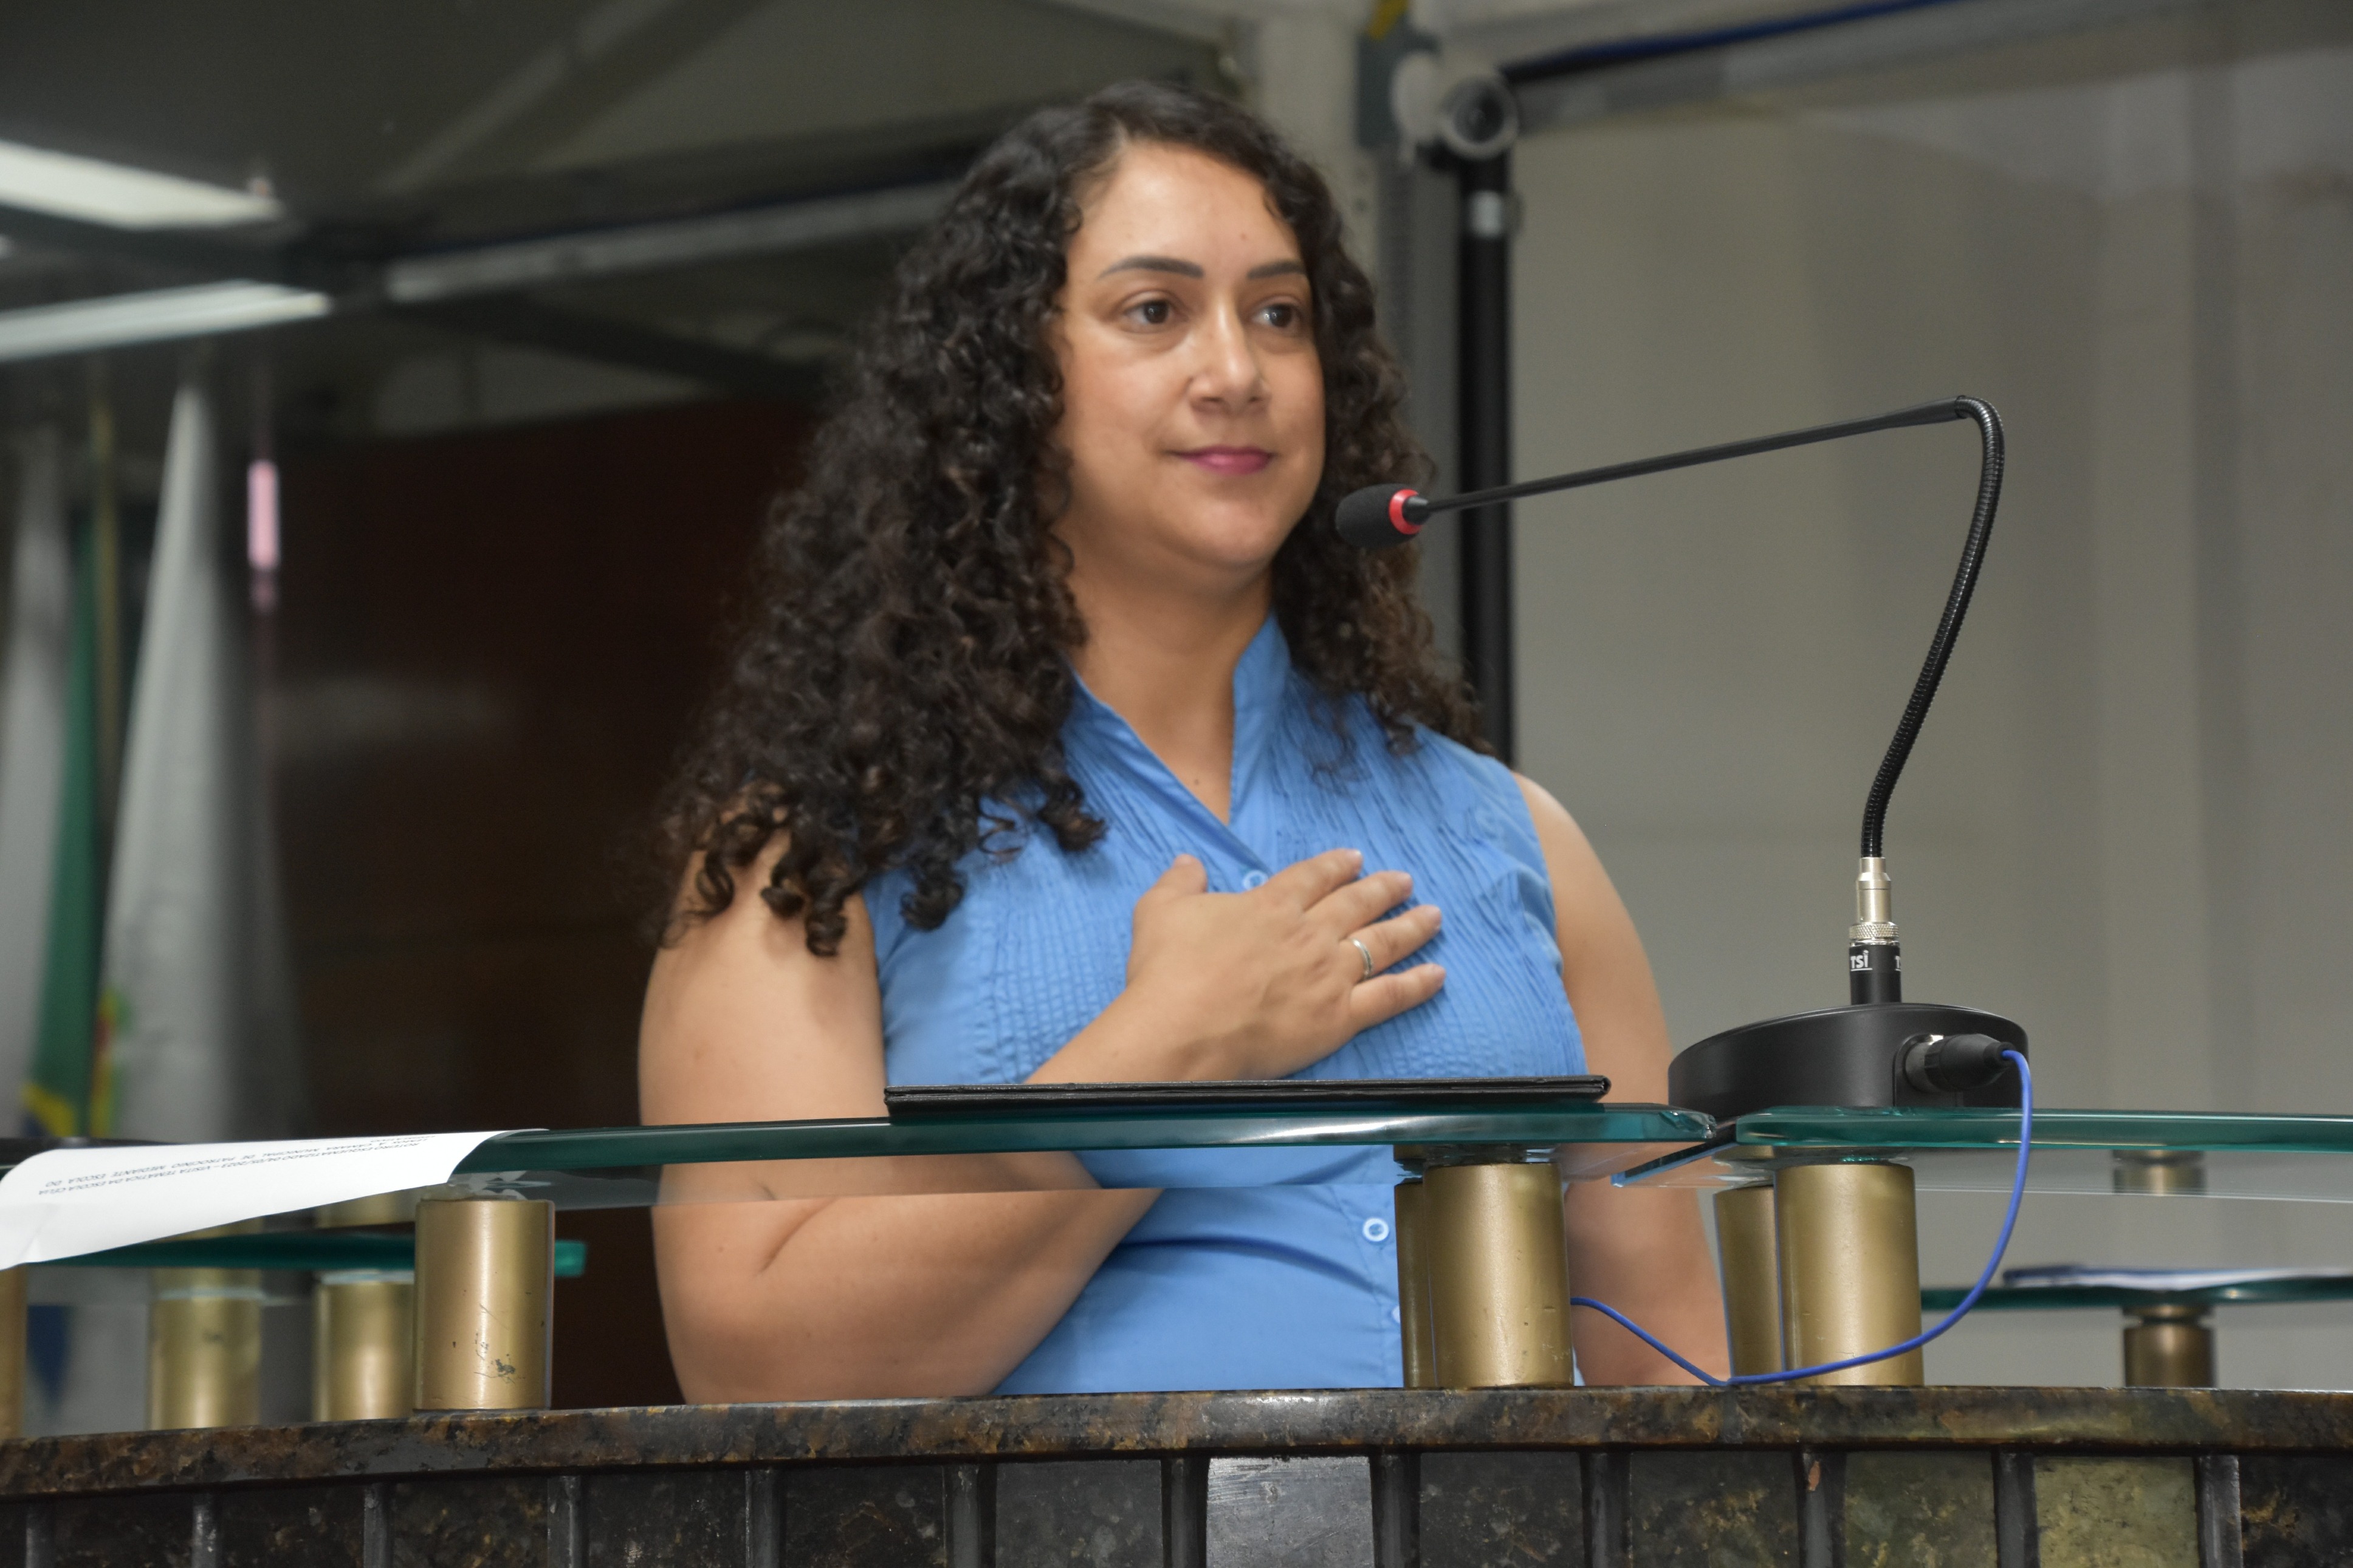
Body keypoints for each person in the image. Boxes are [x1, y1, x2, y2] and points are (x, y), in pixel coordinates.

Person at [641, 80, 1726, 1400]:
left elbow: (1667, 1366)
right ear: (1009, 384)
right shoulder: (813, 852)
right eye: (1154, 311)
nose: (1238, 373)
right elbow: (753, 1367)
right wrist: (1158, 1061)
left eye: (1279, 315)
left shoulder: (1521, 838)